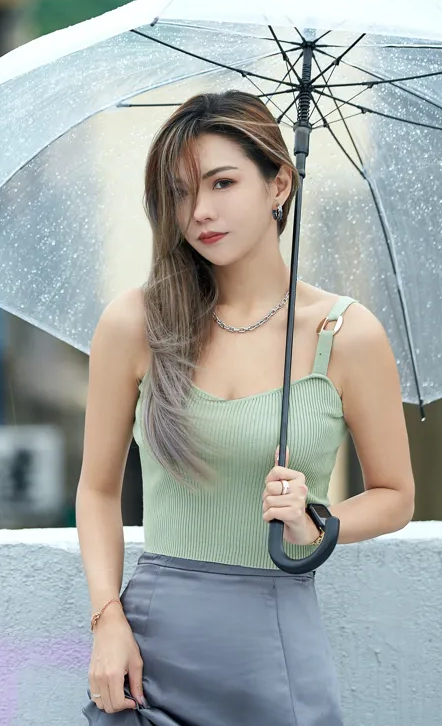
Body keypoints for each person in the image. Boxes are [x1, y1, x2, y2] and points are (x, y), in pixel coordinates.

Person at [77, 91, 416, 724]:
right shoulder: (136, 324)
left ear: (279, 183)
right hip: (152, 655)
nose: (200, 211)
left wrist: (319, 523)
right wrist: (107, 619)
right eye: (180, 193)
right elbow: (97, 491)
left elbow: (396, 494)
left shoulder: (346, 333)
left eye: (223, 182)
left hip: (277, 653)